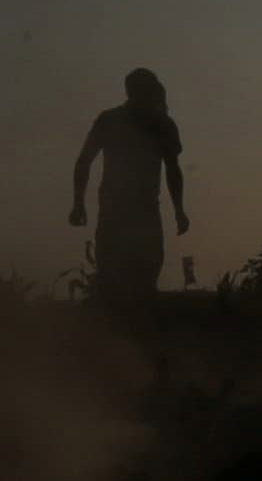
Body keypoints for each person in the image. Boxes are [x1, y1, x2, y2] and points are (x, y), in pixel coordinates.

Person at [72, 68, 188, 327]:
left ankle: (135, 338)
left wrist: (179, 209)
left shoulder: (161, 125)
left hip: (143, 210)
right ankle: (113, 340)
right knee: (113, 277)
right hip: (117, 210)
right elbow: (84, 161)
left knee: (144, 275)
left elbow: (173, 170)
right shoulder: (111, 121)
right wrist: (78, 202)